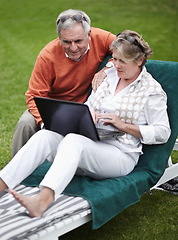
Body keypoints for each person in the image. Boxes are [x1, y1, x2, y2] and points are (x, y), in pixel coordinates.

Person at [0, 30, 171, 217]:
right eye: (114, 59)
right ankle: (2, 184)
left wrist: (124, 126)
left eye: (122, 61)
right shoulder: (110, 76)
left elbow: (163, 132)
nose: (116, 65)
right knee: (44, 136)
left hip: (119, 154)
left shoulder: (151, 91)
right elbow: (89, 105)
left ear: (139, 60)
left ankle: (42, 200)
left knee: (73, 141)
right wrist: (89, 114)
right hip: (89, 144)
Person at [11, 8, 115, 157]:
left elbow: (130, 49)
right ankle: (14, 173)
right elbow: (34, 95)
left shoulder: (101, 38)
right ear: (59, 38)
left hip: (86, 107)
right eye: (67, 42)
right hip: (53, 108)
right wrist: (45, 123)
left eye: (78, 41)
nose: (73, 48)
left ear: (89, 35)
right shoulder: (47, 56)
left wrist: (107, 68)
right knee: (25, 123)